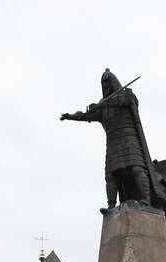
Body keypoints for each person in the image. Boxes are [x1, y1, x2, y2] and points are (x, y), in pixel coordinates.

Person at [61, 68, 158, 212]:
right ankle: (111, 206)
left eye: (107, 83)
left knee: (136, 168)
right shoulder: (102, 105)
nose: (105, 87)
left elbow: (124, 101)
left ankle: (146, 199)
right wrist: (70, 116)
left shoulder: (127, 95)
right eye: (103, 85)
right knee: (110, 175)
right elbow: (85, 116)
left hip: (129, 138)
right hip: (112, 142)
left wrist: (103, 104)